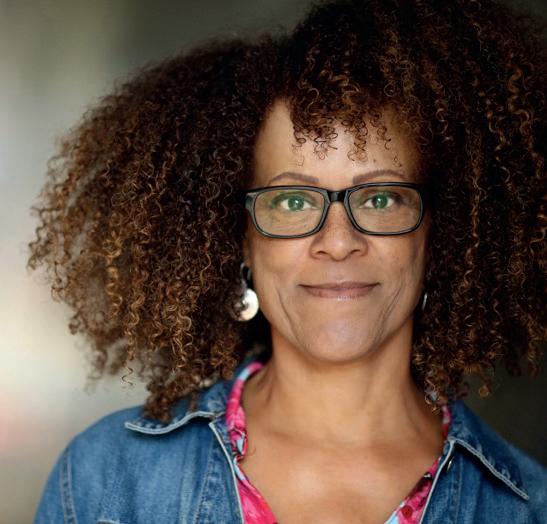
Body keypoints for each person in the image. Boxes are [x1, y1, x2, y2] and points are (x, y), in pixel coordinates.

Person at [29, 0, 546, 522]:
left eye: (381, 198)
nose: (338, 242)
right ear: (240, 239)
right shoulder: (105, 480)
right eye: (293, 201)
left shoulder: (528, 506)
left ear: (439, 233)